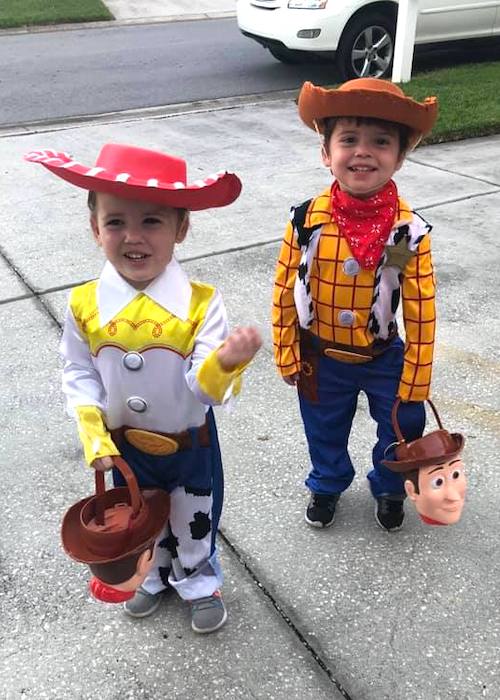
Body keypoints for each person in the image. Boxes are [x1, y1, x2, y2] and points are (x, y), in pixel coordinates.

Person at [26, 143, 262, 633]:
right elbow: (78, 370)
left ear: (181, 228)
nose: (132, 237)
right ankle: (151, 572)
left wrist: (224, 364)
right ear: (95, 229)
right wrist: (94, 433)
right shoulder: (85, 306)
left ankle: (197, 579)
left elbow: (205, 388)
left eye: (152, 221)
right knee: (136, 516)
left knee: (193, 516)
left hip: (187, 443)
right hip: (125, 445)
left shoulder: (200, 305)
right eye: (115, 222)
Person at [272, 78, 438, 532]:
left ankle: (388, 487)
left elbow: (419, 302)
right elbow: (285, 287)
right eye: (349, 140)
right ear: (326, 153)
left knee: (402, 424)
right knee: (322, 427)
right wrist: (286, 347)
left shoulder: (404, 233)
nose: (363, 152)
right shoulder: (307, 220)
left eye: (381, 142)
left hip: (384, 355)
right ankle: (326, 483)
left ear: (400, 156)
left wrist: (417, 373)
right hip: (322, 356)